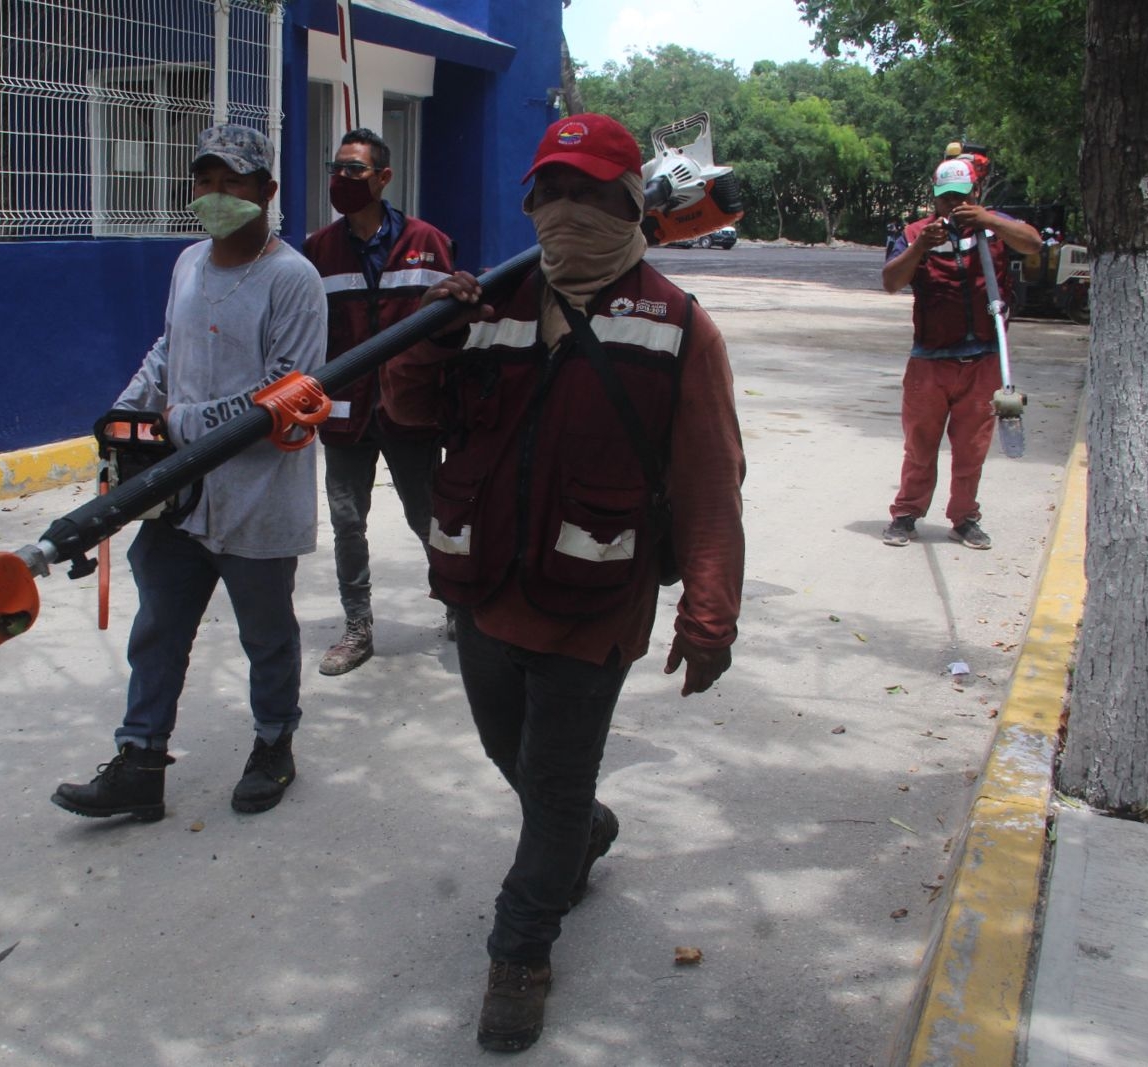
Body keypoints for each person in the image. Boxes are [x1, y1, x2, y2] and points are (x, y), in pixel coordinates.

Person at [383, 113, 746, 1052]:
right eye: (552, 192)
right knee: (515, 761)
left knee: (548, 783)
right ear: (529, 204)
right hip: (485, 591)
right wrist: (432, 335)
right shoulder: (490, 305)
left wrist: (710, 616)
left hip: (595, 602)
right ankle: (585, 828)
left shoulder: (680, 328)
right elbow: (409, 411)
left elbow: (711, 484)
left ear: (632, 204)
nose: (569, 211)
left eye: (590, 193)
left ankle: (520, 947)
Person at [52, 124, 327, 821]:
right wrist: (127, 410)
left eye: (233, 181)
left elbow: (286, 392)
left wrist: (181, 423)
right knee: (158, 628)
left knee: (265, 634)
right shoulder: (188, 264)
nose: (216, 194)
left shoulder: (292, 280)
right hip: (180, 496)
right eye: (204, 180)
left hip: (258, 494)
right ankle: (140, 759)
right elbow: (167, 350)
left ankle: (274, 742)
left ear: (267, 191)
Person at [303, 128, 457, 676]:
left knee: (428, 516)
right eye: (336, 168)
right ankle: (357, 627)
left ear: (383, 178)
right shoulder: (318, 249)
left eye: (354, 171)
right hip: (344, 412)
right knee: (347, 522)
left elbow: (449, 334)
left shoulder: (429, 242)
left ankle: (458, 603)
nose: (341, 179)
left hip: (409, 410)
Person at [880, 154, 1039, 550]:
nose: (953, 205)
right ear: (934, 198)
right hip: (930, 361)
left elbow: (1033, 244)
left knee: (972, 449)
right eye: (945, 197)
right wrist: (920, 248)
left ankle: (965, 518)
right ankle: (906, 513)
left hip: (984, 359)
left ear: (976, 193)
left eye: (960, 196)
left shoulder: (995, 229)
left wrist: (986, 219)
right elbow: (890, 281)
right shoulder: (917, 232)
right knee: (920, 445)